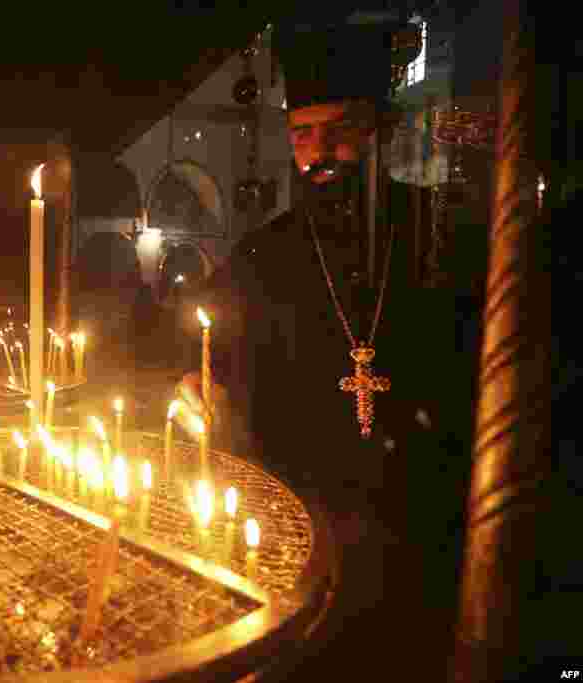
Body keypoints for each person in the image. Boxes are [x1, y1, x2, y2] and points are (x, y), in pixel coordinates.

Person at [176, 12, 484, 676]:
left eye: (343, 130)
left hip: (425, 537)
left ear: (380, 132)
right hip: (303, 540)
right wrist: (197, 385)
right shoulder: (262, 255)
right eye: (304, 134)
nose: (321, 151)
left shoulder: (443, 238)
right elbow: (213, 356)